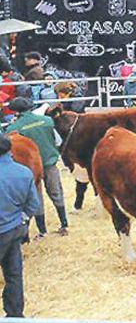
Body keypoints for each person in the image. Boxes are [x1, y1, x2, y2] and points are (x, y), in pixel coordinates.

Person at [7, 97, 68, 237]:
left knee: (36, 196)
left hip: (30, 167)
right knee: (56, 192)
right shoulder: (47, 121)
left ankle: (42, 231)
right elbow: (58, 141)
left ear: (16, 112)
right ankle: (64, 224)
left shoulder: (14, 129)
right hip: (49, 162)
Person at [0, 133, 39, 317]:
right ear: (9, 149)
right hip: (15, 228)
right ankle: (15, 314)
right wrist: (22, 218)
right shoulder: (24, 172)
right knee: (13, 272)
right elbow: (33, 204)